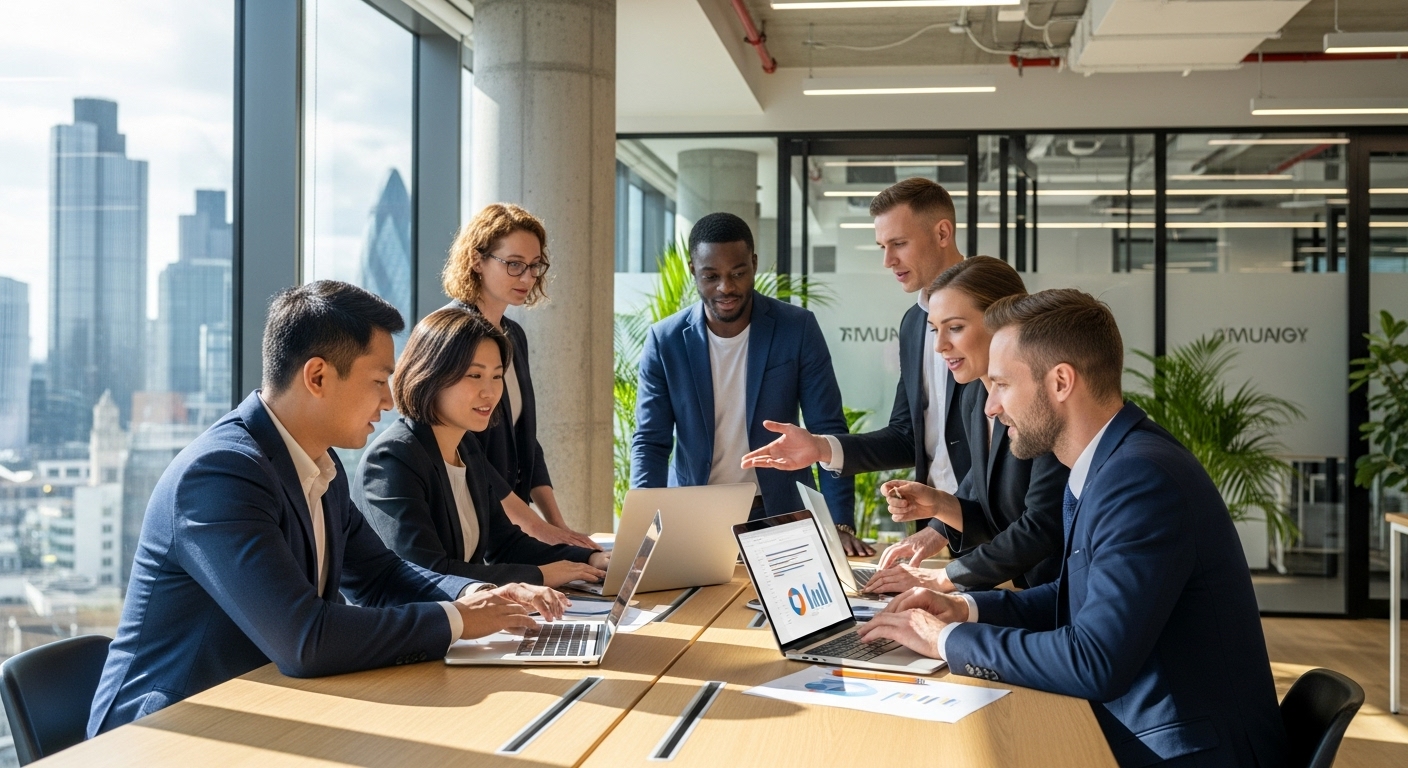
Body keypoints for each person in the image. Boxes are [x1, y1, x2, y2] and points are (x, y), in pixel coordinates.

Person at [89, 281, 566, 736]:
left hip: (267, 708)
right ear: (317, 376)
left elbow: (381, 576)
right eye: (380, 380)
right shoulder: (221, 474)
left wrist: (482, 595)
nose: (389, 399)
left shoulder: (319, 463)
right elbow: (304, 640)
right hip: (171, 731)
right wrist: (460, 620)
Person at [857, 289, 1287, 768]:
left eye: (1000, 385)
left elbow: (1094, 661)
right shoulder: (1110, 463)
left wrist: (942, 641)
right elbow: (1075, 596)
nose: (989, 408)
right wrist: (963, 609)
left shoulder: (1139, 479)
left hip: (1181, 752)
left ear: (1061, 381)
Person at [741, 178, 971, 562]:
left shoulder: (997, 315)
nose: (887, 261)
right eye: (883, 247)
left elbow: (1007, 452)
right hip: (933, 537)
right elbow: (905, 437)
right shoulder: (914, 324)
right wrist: (819, 448)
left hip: (991, 536)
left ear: (942, 232)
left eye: (899, 244)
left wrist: (941, 528)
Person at [630, 212, 862, 553]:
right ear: (693, 270)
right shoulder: (665, 341)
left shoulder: (796, 329)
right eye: (711, 276)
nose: (726, 287)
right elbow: (651, 442)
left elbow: (828, 430)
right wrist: (642, 529)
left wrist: (839, 523)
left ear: (753, 264)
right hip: (697, 516)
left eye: (738, 273)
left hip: (781, 514)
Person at [355, 307, 610, 587]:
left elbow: (507, 545)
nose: (490, 392)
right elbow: (428, 572)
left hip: (470, 623)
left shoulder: (467, 448)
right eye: (474, 376)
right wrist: (540, 576)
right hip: (418, 627)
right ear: (430, 374)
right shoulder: (392, 459)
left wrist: (588, 559)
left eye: (497, 376)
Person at [865, 257, 1067, 595]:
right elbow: (986, 507)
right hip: (1022, 592)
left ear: (1004, 323)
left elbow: (1040, 527)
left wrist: (942, 578)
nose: (939, 345)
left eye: (955, 327)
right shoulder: (974, 398)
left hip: (1058, 598)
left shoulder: (1041, 404)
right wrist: (936, 507)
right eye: (935, 329)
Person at [441, 203, 599, 550]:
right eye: (514, 265)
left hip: (508, 527)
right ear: (476, 260)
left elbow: (526, 441)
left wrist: (560, 528)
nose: (527, 278)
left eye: (534, 266)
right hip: (469, 524)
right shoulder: (451, 335)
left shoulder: (513, 336)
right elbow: (467, 451)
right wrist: (537, 527)